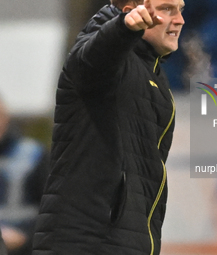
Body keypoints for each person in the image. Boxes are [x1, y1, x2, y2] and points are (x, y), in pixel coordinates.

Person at [32, 0, 185, 254]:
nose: (179, 20)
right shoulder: (105, 52)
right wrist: (123, 29)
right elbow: (92, 62)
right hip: (87, 244)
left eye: (180, 10)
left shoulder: (153, 74)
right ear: (130, 12)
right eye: (167, 9)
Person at [0, 98, 49, 255]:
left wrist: (26, 237)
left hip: (25, 246)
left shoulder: (34, 155)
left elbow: (53, 208)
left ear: (6, 117)